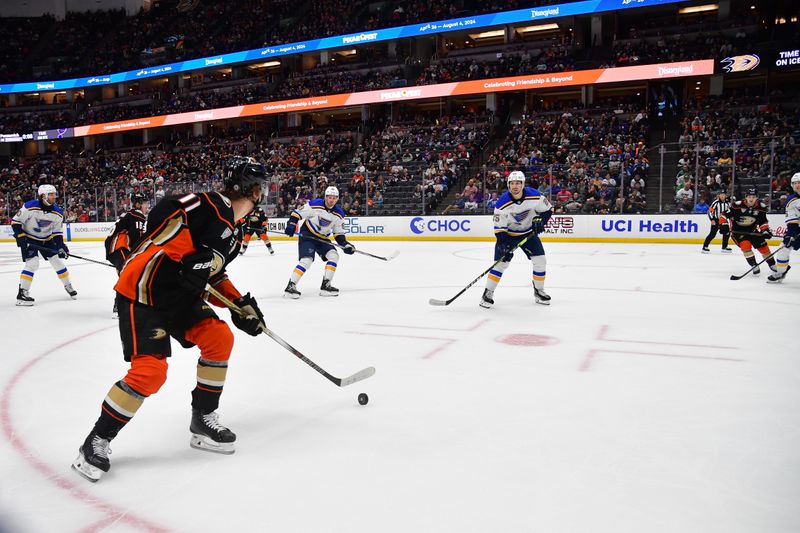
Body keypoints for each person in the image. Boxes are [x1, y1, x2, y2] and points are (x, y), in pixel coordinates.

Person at [71, 159, 267, 482]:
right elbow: (163, 212)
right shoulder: (207, 204)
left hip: (179, 298)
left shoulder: (235, 232)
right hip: (143, 292)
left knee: (220, 337)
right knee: (150, 372)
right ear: (251, 190)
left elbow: (212, 275)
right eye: (260, 188)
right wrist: (188, 255)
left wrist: (239, 305)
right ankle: (96, 439)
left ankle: (202, 417)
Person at [480, 170, 553, 308]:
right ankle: (488, 293)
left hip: (528, 234)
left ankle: (539, 291)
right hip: (508, 235)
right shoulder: (502, 203)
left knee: (540, 260)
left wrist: (541, 221)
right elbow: (499, 228)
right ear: (508, 185)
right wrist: (504, 244)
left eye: (518, 183)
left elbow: (548, 210)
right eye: (512, 183)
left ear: (523, 184)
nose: (515, 186)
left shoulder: (535, 196)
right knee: (500, 264)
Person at [283, 186, 355, 298]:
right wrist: (291, 225)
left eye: (334, 198)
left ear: (337, 199)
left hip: (323, 238)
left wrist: (345, 244)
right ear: (325, 197)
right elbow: (297, 214)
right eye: (329, 197)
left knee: (334, 256)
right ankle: (290, 286)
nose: (331, 200)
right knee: (307, 260)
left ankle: (326, 285)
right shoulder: (314, 204)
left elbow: (338, 233)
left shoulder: (339, 214)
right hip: (307, 234)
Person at [11, 184, 76, 305]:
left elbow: (57, 232)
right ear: (43, 196)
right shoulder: (29, 207)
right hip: (30, 239)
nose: (54, 197)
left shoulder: (57, 212)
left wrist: (61, 246)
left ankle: (68, 285)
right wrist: (20, 236)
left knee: (57, 262)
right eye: (51, 194)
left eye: (54, 194)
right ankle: (22, 294)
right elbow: (15, 222)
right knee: (32, 264)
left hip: (47, 239)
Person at [105, 194, 150, 318]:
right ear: (137, 204)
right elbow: (137, 239)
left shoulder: (130, 214)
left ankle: (126, 303)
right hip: (119, 246)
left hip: (116, 248)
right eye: (145, 203)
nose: (147, 206)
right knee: (127, 274)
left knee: (127, 273)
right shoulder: (137, 215)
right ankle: (120, 306)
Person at [724, 187, 775, 275]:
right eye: (749, 197)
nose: (751, 199)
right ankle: (754, 265)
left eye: (753, 197)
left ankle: (772, 264)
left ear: (757, 198)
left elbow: (763, 222)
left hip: (752, 231)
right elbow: (724, 215)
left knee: (763, 247)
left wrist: (765, 230)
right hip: (737, 232)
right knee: (746, 245)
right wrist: (723, 225)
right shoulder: (736, 205)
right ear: (746, 197)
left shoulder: (761, 208)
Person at [768, 172, 800, 282]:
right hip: (798, 230)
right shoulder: (791, 201)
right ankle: (780, 272)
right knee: (783, 248)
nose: (797, 185)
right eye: (795, 183)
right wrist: (790, 234)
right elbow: (792, 221)